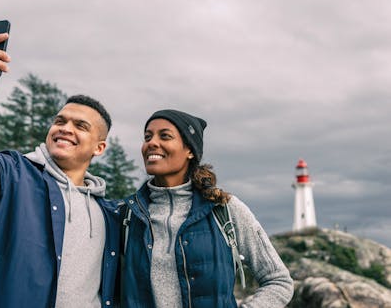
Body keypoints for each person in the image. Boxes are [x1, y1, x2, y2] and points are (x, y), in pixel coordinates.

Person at [0, 33, 120, 307]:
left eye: (80, 126)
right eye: (60, 121)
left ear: (99, 148)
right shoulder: (11, 174)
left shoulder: (110, 215)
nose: (65, 128)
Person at [120, 109, 294, 308]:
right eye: (147, 137)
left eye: (165, 136)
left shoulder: (225, 209)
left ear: (190, 151)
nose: (151, 143)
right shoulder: (127, 215)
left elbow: (279, 281)